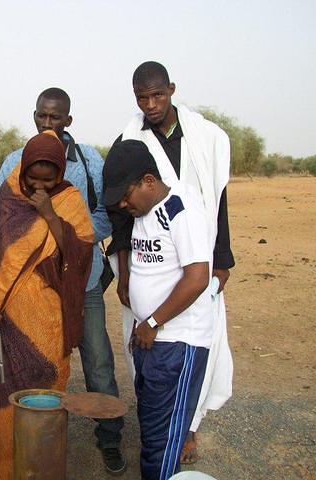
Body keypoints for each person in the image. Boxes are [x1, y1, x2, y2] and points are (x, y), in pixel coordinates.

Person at [0, 87, 126, 474]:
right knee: (34, 364)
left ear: (68, 120)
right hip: (31, 287)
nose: (48, 124)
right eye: (42, 117)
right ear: (33, 115)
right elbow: (3, 221)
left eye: (56, 118)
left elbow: (105, 211)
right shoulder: (15, 162)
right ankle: (32, 440)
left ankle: (110, 438)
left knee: (98, 361)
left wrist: (74, 240)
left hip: (81, 282)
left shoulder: (87, 160)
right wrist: (37, 248)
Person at [111, 61, 234, 463]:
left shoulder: (205, 137)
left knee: (189, 359)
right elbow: (120, 213)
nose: (150, 104)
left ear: (172, 90)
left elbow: (217, 199)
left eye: (157, 95)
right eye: (142, 97)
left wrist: (222, 259)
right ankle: (163, 431)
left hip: (193, 254)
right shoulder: (129, 140)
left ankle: (186, 429)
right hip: (149, 256)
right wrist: (125, 270)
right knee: (148, 365)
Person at [0, 130, 95, 480]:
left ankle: (36, 468)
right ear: (24, 169)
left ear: (60, 174)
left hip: (46, 321)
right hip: (1, 317)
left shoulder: (69, 200)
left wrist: (49, 214)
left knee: (41, 395)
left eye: (50, 181)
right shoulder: (10, 192)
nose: (40, 187)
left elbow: (78, 258)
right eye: (34, 179)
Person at [103, 139, 215, 480]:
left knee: (163, 440)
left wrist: (152, 321)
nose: (123, 204)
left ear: (149, 181)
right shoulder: (145, 210)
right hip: (150, 339)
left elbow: (197, 278)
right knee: (152, 429)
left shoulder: (183, 210)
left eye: (126, 195)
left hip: (178, 342)